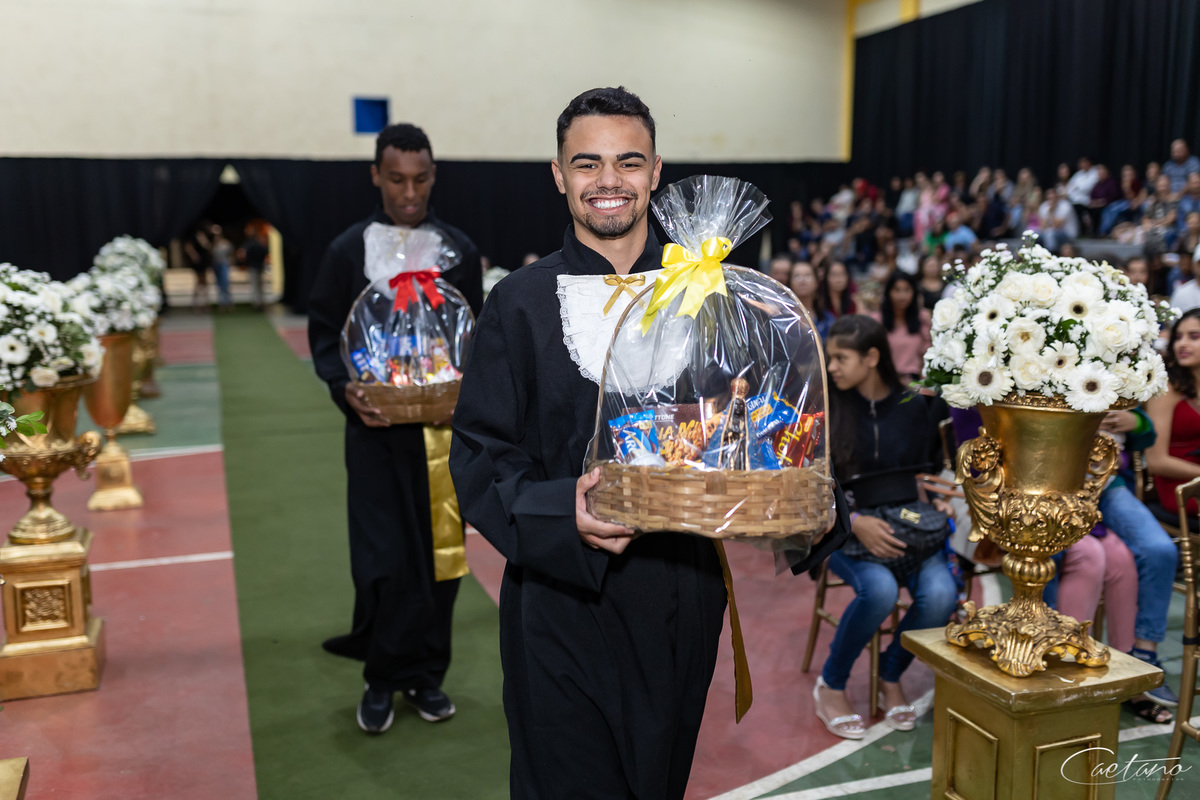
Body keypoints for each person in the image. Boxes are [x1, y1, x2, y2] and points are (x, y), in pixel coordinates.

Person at [449, 86, 848, 800]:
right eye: (588, 163)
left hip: (681, 597)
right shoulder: (519, 302)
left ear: (656, 171)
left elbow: (770, 428)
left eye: (628, 162)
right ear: (559, 175)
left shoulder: (716, 298)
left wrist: (817, 512)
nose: (608, 180)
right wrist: (558, 509)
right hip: (559, 598)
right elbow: (480, 453)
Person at [307, 123, 483, 733]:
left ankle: (427, 676)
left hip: (441, 437)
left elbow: (476, 335)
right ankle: (381, 678)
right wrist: (345, 388)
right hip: (376, 433)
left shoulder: (458, 250)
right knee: (381, 562)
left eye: (421, 179)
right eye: (397, 179)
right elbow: (326, 332)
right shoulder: (347, 251)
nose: (410, 193)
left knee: (439, 560)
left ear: (434, 177)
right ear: (375, 176)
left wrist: (465, 395)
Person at [813, 315, 956, 739]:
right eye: (830, 358)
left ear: (872, 357)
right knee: (879, 591)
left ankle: (889, 676)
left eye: (841, 358)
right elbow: (811, 485)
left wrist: (939, 498)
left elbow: (930, 472)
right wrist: (856, 522)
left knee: (942, 595)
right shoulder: (826, 407)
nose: (832, 367)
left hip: (909, 525)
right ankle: (831, 685)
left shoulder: (915, 404)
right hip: (845, 531)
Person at [871, 272, 931, 384]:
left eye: (907, 290)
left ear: (914, 292)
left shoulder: (922, 319)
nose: (902, 296)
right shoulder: (877, 320)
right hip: (885, 381)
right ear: (888, 292)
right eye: (897, 290)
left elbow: (926, 357)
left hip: (914, 382)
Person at [789, 260, 835, 340]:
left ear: (816, 283)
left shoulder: (827, 320)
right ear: (789, 283)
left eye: (807, 276)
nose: (802, 280)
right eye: (797, 276)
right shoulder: (781, 320)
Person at [239, 225, 270, 310]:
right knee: (257, 286)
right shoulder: (253, 244)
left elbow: (243, 255)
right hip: (256, 267)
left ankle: (258, 303)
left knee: (257, 286)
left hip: (256, 267)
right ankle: (258, 303)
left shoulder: (253, 244)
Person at [210, 224, 234, 310]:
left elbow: (231, 253)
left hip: (224, 264)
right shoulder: (212, 244)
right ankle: (222, 303)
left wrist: (230, 262)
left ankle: (228, 302)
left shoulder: (225, 243)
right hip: (216, 265)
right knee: (219, 285)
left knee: (225, 283)